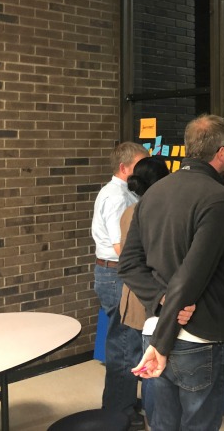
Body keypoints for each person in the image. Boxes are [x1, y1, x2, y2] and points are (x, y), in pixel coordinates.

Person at [118, 114, 224, 431]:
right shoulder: (218, 198)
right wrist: (163, 343)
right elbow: (190, 277)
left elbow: (128, 264)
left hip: (154, 329)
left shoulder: (154, 192)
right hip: (192, 336)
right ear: (222, 151)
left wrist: (161, 301)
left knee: (162, 425)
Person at [91, 141, 148, 427]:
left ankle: (121, 402)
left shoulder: (125, 192)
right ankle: (119, 412)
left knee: (125, 344)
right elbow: (120, 245)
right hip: (116, 275)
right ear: (124, 168)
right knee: (124, 347)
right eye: (141, 165)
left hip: (115, 273)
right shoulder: (116, 197)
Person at [117, 156, 170, 428]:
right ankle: (154, 420)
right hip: (148, 298)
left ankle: (148, 418)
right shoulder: (154, 212)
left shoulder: (130, 211)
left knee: (141, 361)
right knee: (152, 367)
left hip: (131, 296)